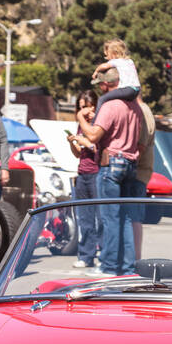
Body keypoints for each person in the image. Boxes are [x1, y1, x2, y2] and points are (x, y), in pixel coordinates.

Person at [75, 77, 145, 275]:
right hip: (130, 163)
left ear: (107, 84)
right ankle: (127, 267)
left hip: (112, 162)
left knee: (110, 218)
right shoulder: (135, 107)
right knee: (126, 219)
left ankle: (109, 266)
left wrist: (81, 117)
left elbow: (93, 136)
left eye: (100, 83)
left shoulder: (109, 105)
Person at [67, 90, 102, 268]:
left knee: (101, 217)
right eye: (80, 108)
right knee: (85, 218)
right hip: (82, 174)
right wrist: (72, 142)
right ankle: (86, 255)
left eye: (87, 107)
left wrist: (84, 140)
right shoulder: (81, 125)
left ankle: (104, 255)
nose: (83, 112)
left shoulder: (98, 124)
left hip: (97, 174)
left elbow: (96, 148)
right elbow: (79, 153)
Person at [131, 98, 156, 259]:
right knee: (133, 216)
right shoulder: (142, 109)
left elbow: (141, 145)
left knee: (133, 217)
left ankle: (134, 258)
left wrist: (128, 162)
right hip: (139, 171)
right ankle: (133, 258)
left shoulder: (142, 110)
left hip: (138, 172)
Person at [92, 38, 141, 106]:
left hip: (127, 89)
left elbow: (104, 66)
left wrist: (96, 71)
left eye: (107, 55)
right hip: (137, 89)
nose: (107, 58)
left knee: (102, 99)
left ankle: (96, 116)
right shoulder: (130, 61)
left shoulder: (115, 61)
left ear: (113, 53)